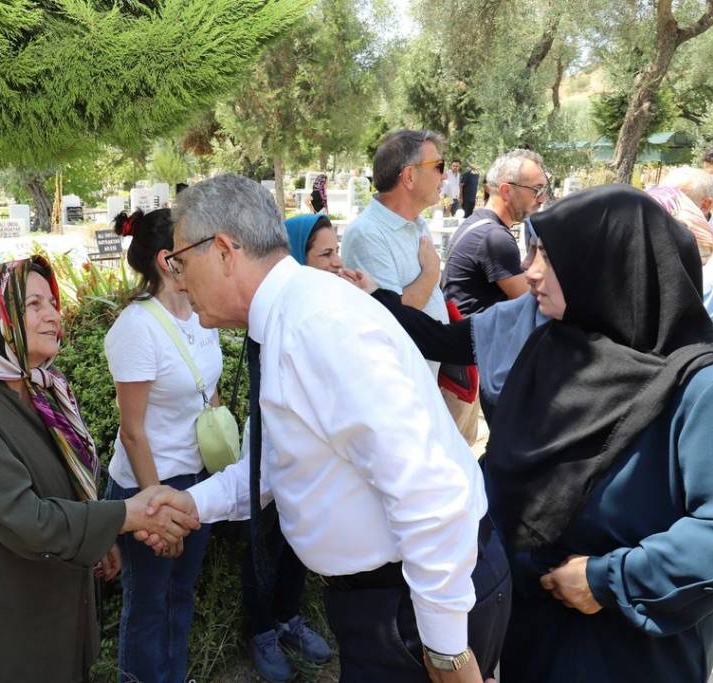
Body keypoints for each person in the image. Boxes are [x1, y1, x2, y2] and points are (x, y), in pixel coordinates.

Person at [145, 174, 510, 683]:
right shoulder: (294, 316)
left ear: (225, 251)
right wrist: (193, 503)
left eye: (181, 262)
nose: (179, 281)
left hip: (413, 606)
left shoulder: (316, 326)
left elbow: (427, 489)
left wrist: (447, 650)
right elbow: (279, 462)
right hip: (392, 601)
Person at [373, 186, 713, 681]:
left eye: (549, 256)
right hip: (531, 628)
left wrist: (607, 581)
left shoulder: (696, 385)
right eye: (532, 251)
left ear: (608, 266)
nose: (530, 270)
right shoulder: (551, 349)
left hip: (629, 648)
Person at [0, 256, 198, 683]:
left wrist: (100, 535)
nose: (52, 315)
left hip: (46, 601)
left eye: (52, 303)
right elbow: (27, 519)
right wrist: (124, 516)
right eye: (33, 305)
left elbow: (64, 482)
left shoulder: (41, 388)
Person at [103, 209, 221, 683]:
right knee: (149, 602)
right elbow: (133, 431)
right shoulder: (137, 327)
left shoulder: (202, 313)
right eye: (194, 246)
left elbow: (206, 394)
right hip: (150, 483)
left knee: (181, 593)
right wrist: (155, 506)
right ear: (168, 260)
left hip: (196, 480)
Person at [242, 214, 341, 682]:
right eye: (325, 254)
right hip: (271, 454)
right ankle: (261, 629)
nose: (337, 263)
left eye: (337, 251)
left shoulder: (323, 312)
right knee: (261, 541)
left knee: (295, 536)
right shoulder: (270, 322)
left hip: (307, 460)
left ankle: (288, 617)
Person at [341, 129, 449, 357]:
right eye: (438, 166)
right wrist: (430, 273)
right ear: (409, 176)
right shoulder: (367, 234)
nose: (445, 176)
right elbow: (391, 317)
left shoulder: (418, 224)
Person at [442, 149, 546, 317]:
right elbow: (535, 306)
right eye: (536, 190)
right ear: (506, 191)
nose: (542, 199)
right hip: (476, 341)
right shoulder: (494, 238)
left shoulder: (477, 223)